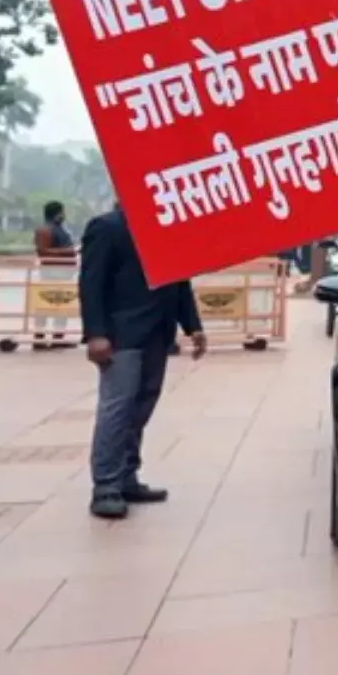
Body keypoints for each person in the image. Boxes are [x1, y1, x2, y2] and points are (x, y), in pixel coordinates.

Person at [78, 203, 207, 519]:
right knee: (117, 408)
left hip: (157, 333)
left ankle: (127, 476)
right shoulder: (107, 227)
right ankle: (105, 485)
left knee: (142, 406)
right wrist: (95, 334)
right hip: (120, 335)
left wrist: (192, 325)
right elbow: (91, 284)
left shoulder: (168, 227)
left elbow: (180, 280)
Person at [32, 200, 78, 349]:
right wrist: (68, 251)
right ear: (57, 214)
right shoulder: (44, 230)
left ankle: (58, 338)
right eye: (62, 212)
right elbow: (42, 251)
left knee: (63, 305)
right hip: (51, 272)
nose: (64, 215)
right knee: (44, 304)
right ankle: (39, 338)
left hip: (63, 272)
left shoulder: (60, 229)